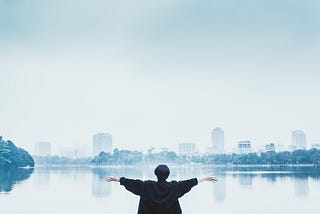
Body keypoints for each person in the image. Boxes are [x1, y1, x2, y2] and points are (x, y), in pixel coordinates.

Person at [105, 164, 218, 214]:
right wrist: (205, 178)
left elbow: (132, 183)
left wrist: (119, 180)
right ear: (168, 175)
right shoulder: (175, 187)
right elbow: (191, 182)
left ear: (156, 174)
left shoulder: (146, 186)